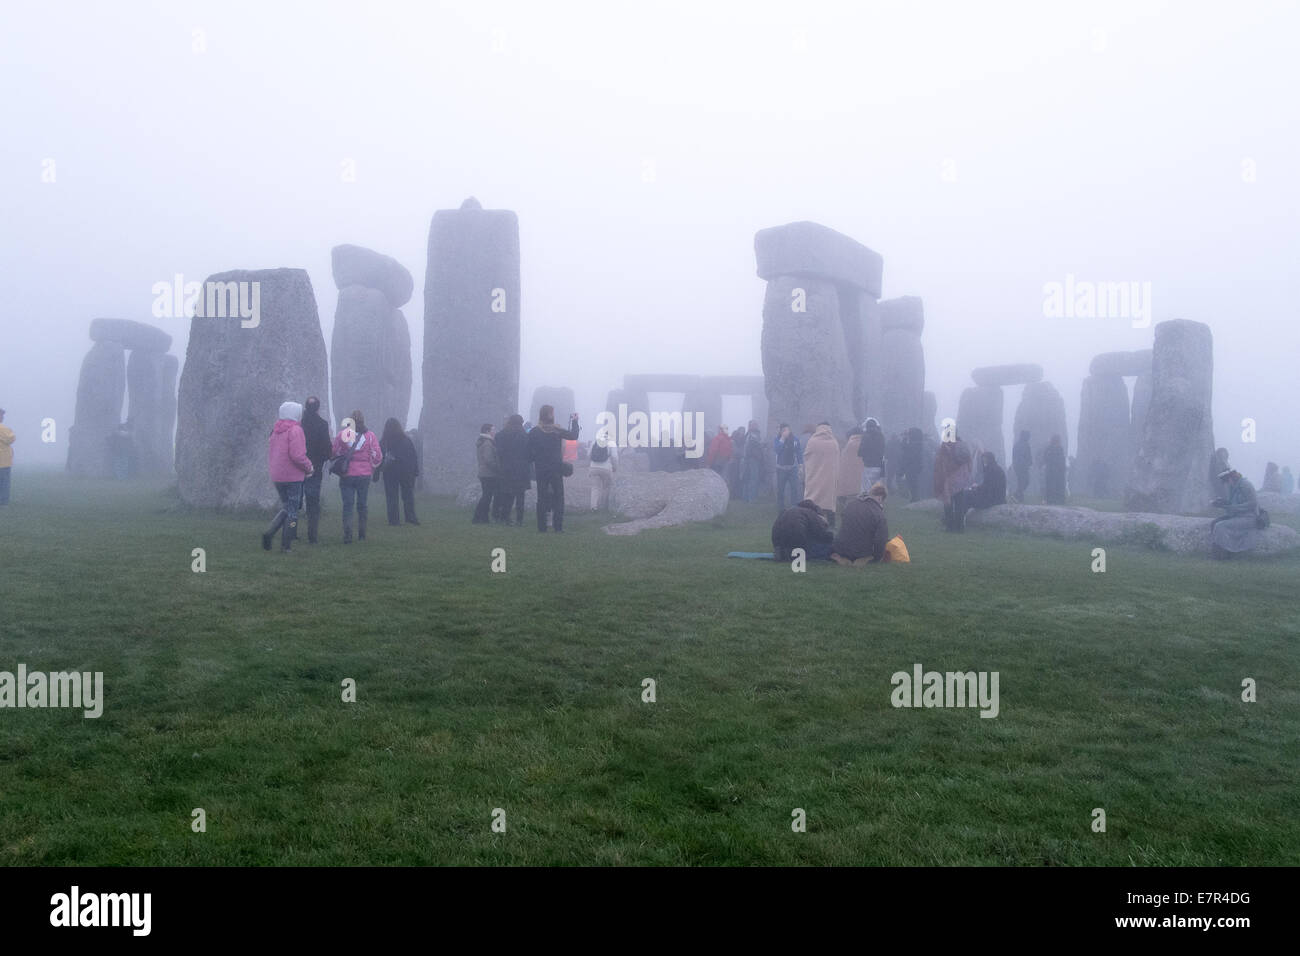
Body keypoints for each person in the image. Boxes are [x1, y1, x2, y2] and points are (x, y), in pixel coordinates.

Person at [262, 401, 313, 553]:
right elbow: (297, 455)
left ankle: (270, 532)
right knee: (292, 512)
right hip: (293, 476)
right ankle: (286, 545)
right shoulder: (296, 430)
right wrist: (309, 467)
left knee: (286, 507)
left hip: (277, 475)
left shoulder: (276, 430)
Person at [331, 409, 382, 543]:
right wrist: (371, 466)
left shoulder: (344, 434)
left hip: (347, 473)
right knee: (362, 505)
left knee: (348, 505)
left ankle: (348, 535)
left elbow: (334, 451)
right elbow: (377, 455)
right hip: (364, 474)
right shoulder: (370, 436)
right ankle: (362, 534)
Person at [527, 405, 580, 532]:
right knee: (558, 497)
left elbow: (528, 451)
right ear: (550, 415)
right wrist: (575, 421)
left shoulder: (534, 431)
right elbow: (573, 435)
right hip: (556, 467)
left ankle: (542, 527)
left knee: (542, 498)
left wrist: (535, 460)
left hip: (541, 468)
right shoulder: (557, 430)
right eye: (552, 412)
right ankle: (558, 527)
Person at [831, 482, 890, 564]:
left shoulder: (850, 504)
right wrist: (877, 557)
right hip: (860, 552)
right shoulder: (879, 514)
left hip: (840, 549)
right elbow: (880, 540)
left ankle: (843, 558)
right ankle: (860, 559)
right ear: (880, 498)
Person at [300, 396, 332, 543]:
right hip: (315, 468)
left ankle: (291, 530)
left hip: (297, 467)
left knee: (294, 502)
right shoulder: (322, 424)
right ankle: (312, 536)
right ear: (318, 408)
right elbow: (327, 450)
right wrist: (322, 459)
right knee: (313, 503)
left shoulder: (299, 424)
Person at [1210, 469, 1261, 558]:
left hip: (1249, 518)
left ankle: (1227, 553)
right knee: (1214, 523)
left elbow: (1253, 503)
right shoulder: (1233, 486)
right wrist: (1222, 503)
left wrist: (1232, 507)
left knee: (1220, 526)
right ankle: (1218, 552)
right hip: (1237, 516)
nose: (1226, 484)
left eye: (1226, 481)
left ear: (1231, 478)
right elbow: (1233, 503)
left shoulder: (1246, 485)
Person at [379, 417, 419, 526]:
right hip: (405, 472)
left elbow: (379, 458)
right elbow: (413, 457)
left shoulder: (384, 442)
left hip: (390, 472)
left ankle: (394, 520)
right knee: (408, 496)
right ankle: (410, 517)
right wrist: (415, 471)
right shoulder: (406, 440)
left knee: (392, 497)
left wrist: (377, 473)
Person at [495, 414, 531, 525]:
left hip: (506, 467)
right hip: (521, 468)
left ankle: (504, 517)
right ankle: (519, 519)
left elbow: (499, 452)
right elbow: (528, 452)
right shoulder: (524, 435)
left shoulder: (501, 435)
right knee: (520, 495)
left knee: (507, 494)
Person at [802, 422, 840, 527]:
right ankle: (831, 526)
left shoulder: (812, 441)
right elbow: (837, 461)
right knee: (829, 503)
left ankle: (810, 523)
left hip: (815, 476)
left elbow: (806, 456)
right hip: (829, 478)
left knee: (813, 500)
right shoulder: (834, 442)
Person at [934, 432, 973, 531]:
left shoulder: (946, 445)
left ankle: (950, 526)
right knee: (959, 502)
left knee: (948, 502)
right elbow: (969, 461)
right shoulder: (962, 444)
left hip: (948, 477)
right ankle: (960, 527)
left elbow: (941, 462)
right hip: (961, 479)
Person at [772, 424, 804, 512]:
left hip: (792, 468)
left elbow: (798, 452)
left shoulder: (795, 439)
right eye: (784, 430)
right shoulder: (777, 439)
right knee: (780, 489)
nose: (786, 432)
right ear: (781, 431)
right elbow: (777, 450)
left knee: (794, 488)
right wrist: (782, 438)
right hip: (781, 468)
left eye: (787, 430)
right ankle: (781, 508)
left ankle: (794, 507)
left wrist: (801, 465)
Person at [473, 423, 500, 524]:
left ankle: (482, 518)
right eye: (493, 429)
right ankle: (478, 517)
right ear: (487, 431)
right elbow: (488, 459)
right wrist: (498, 468)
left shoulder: (483, 441)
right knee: (487, 497)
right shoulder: (488, 443)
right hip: (488, 473)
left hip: (484, 473)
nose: (495, 431)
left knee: (486, 496)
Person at [588, 428, 618, 511]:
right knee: (606, 487)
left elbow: (589, 454)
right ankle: (604, 507)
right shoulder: (611, 443)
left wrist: (591, 465)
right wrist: (614, 467)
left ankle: (593, 507)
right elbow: (614, 457)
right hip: (606, 468)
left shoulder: (595, 441)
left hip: (593, 467)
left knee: (595, 487)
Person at [838, 426, 864, 514]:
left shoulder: (850, 443)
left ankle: (848, 511)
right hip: (860, 472)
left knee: (850, 494)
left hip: (848, 472)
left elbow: (844, 458)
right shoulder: (862, 443)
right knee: (856, 494)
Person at [858, 418, 885, 492]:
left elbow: (860, 452)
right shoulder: (881, 436)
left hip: (868, 465)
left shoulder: (866, 436)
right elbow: (883, 450)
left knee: (865, 489)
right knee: (876, 490)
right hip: (879, 466)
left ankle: (865, 503)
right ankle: (876, 502)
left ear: (867, 427)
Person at [741, 421, 765, 502]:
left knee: (748, 478)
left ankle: (746, 498)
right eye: (754, 425)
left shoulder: (749, 434)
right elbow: (756, 446)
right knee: (752, 478)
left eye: (756, 424)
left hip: (749, 458)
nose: (757, 426)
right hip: (752, 459)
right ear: (750, 426)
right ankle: (751, 499)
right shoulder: (752, 435)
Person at [899, 427, 923, 502]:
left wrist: (904, 438)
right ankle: (914, 497)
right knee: (912, 482)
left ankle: (915, 497)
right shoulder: (917, 443)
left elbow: (905, 448)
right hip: (914, 465)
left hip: (912, 465)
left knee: (912, 482)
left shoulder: (915, 444)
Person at [1043, 434, 1067, 504]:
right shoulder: (1056, 449)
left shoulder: (1050, 448)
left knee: (1053, 485)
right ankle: (1057, 499)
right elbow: (1061, 460)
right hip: (1055, 470)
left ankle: (1053, 499)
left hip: (1053, 470)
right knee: (1056, 485)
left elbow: (1045, 458)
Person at [725, 425, 747, 497]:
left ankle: (736, 494)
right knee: (733, 478)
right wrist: (742, 454)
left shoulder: (742, 440)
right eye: (741, 431)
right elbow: (736, 451)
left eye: (743, 431)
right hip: (734, 461)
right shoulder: (734, 441)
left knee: (737, 478)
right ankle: (732, 495)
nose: (742, 433)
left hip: (738, 461)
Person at [1011, 430, 1032, 502]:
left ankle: (1019, 498)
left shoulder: (1017, 444)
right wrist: (1029, 462)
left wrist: (1015, 464)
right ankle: (1016, 495)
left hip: (1018, 466)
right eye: (1028, 436)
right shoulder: (1025, 445)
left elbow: (1014, 456)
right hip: (1022, 466)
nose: (1029, 437)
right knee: (1025, 481)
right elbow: (1027, 456)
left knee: (1021, 482)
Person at [0, 408, 14, 505]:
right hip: (3, 461)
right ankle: (3, 501)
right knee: (4, 483)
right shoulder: (3, 429)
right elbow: (11, 438)